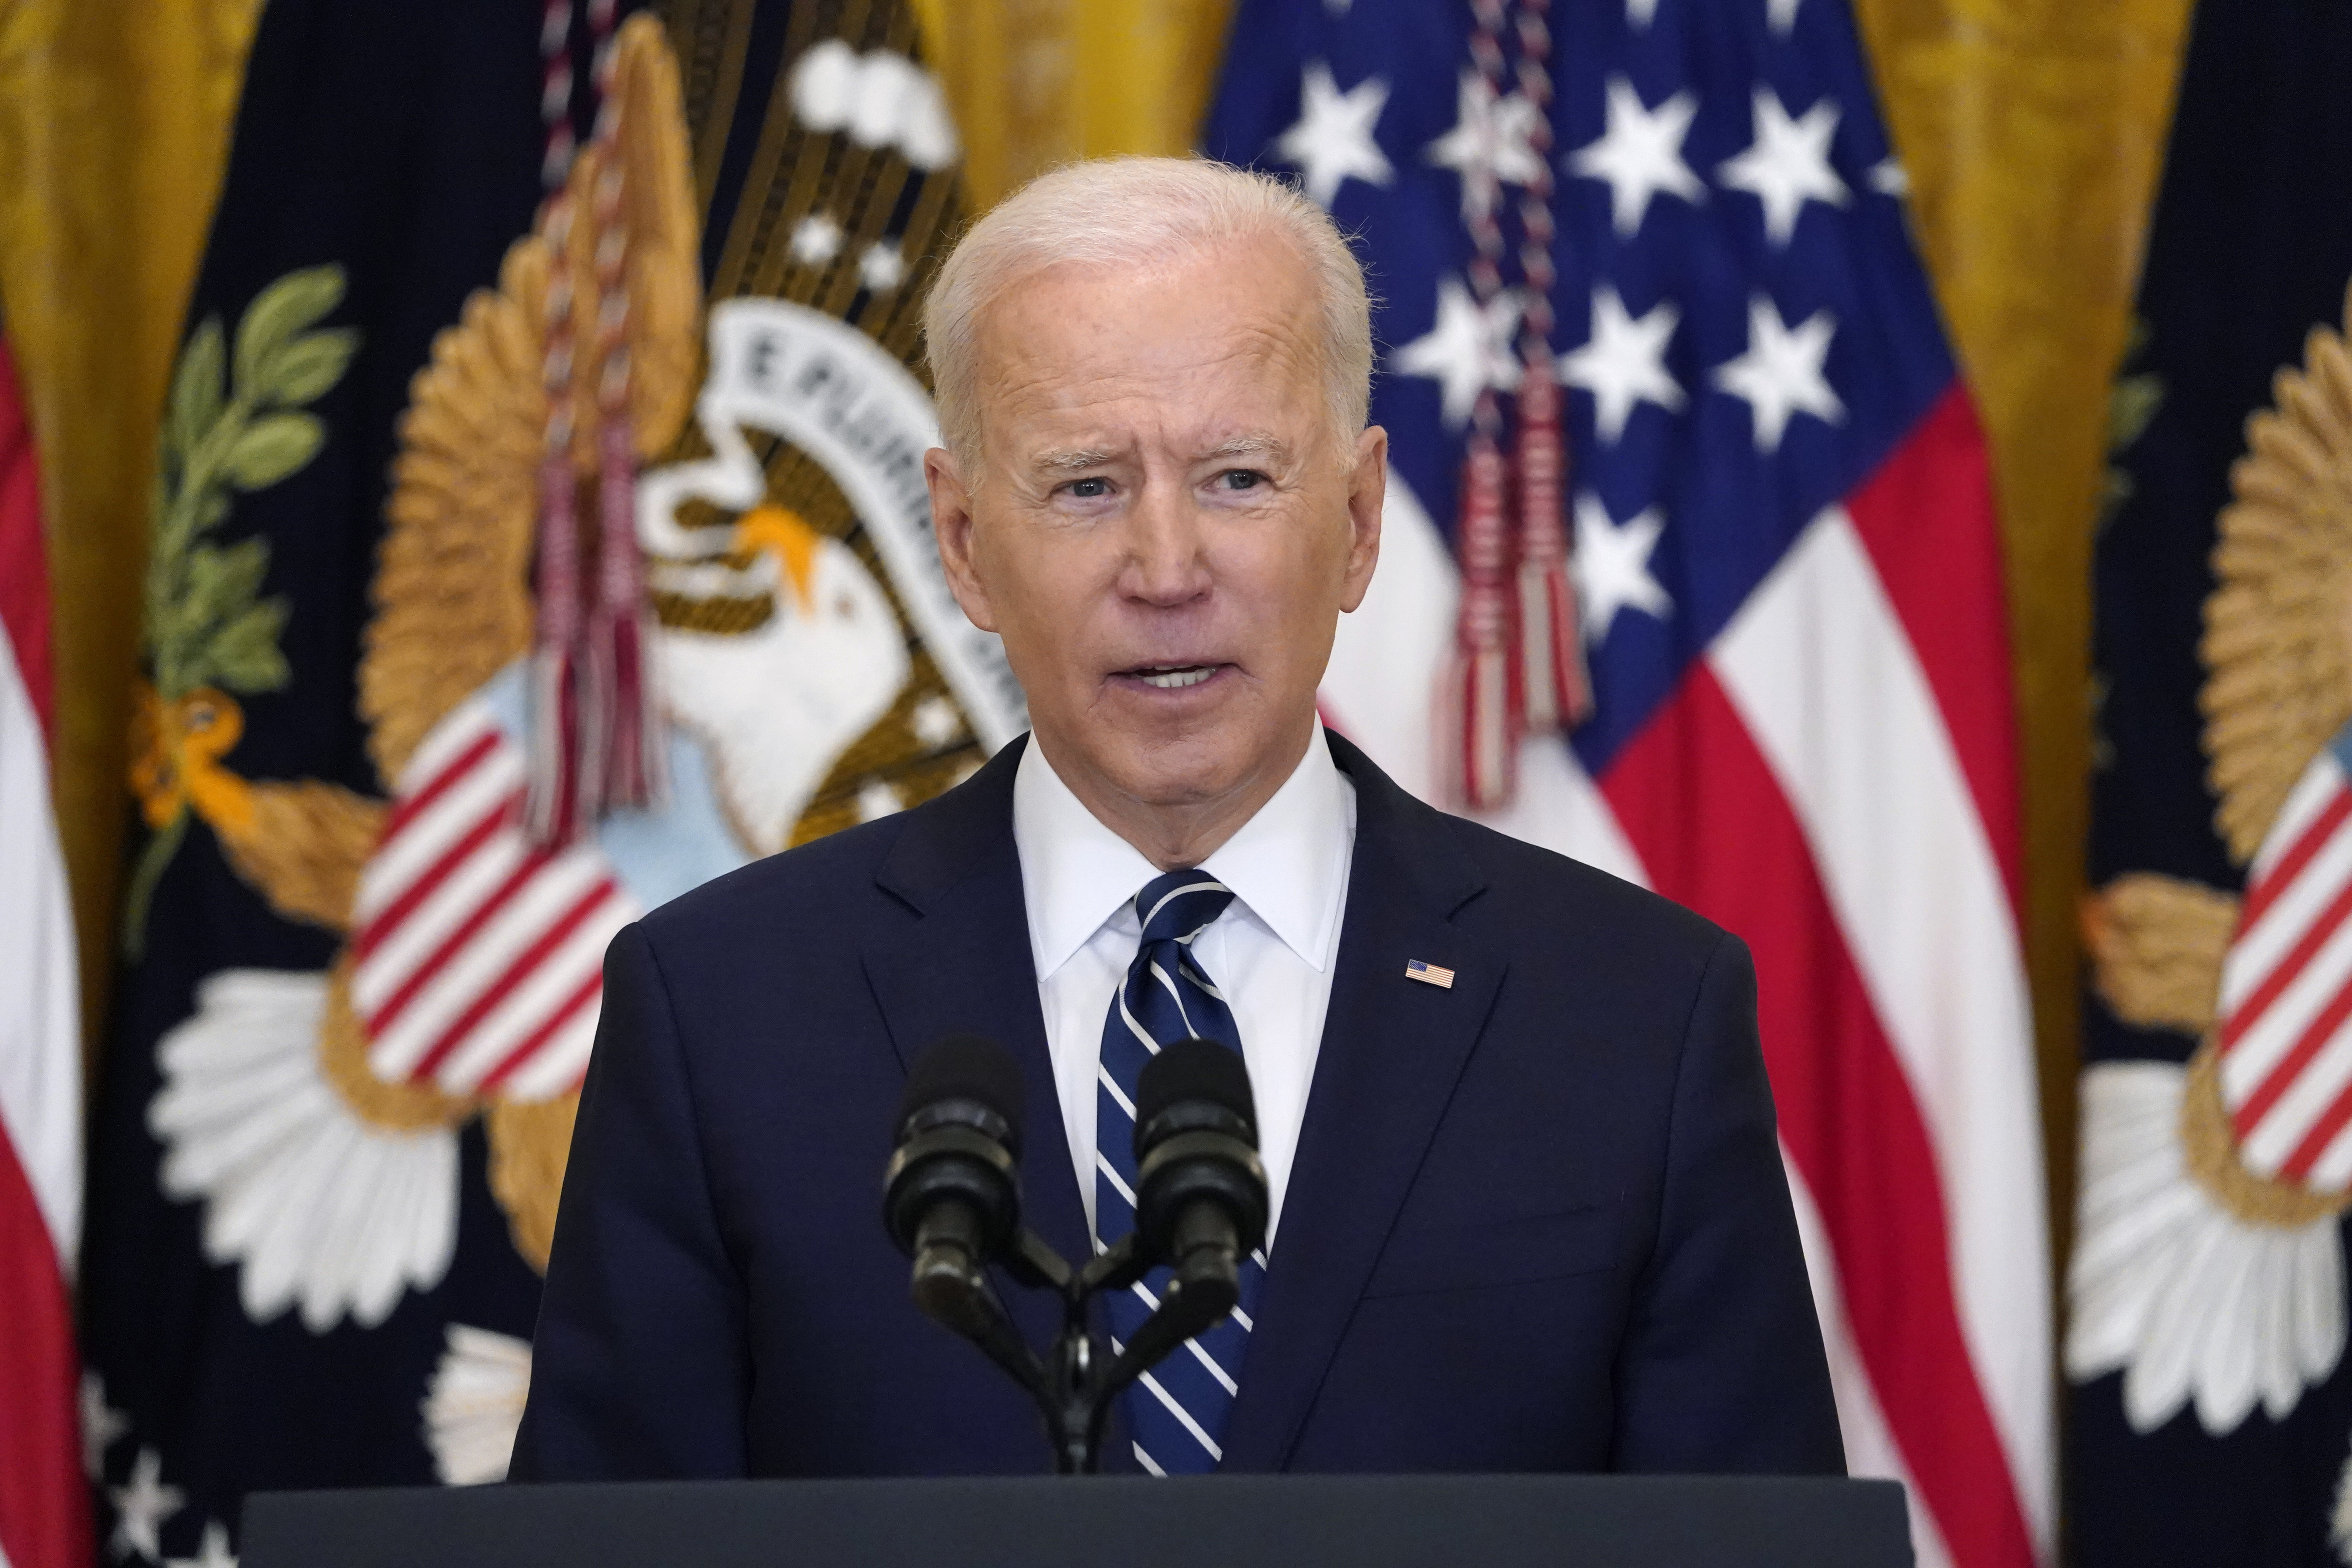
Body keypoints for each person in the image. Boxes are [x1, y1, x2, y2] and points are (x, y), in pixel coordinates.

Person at [510, 156, 1843, 1479]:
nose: (1166, 569)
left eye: (1239, 479)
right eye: (1087, 485)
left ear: (1359, 521)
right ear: (963, 542)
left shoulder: (1636, 1018)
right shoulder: (719, 1013)